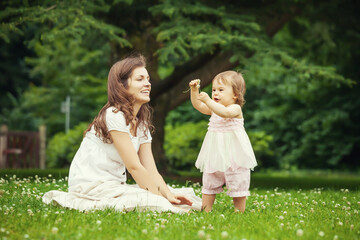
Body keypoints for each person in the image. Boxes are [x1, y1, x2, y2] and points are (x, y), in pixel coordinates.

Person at [43, 54, 201, 213]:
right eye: (140, 79)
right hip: (91, 186)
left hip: (114, 186)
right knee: (154, 201)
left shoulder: (141, 123)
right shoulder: (113, 115)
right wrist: (160, 198)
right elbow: (134, 167)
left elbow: (150, 170)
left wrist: (168, 194)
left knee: (185, 199)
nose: (147, 84)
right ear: (122, 85)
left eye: (148, 79)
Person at [189, 71, 257, 212]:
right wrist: (194, 91)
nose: (215, 93)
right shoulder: (214, 108)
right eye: (214, 90)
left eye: (221, 90)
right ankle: (206, 210)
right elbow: (199, 106)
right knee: (210, 177)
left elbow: (224, 113)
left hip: (234, 154)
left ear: (235, 95)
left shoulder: (235, 108)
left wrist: (207, 100)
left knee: (237, 179)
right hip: (215, 152)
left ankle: (239, 210)